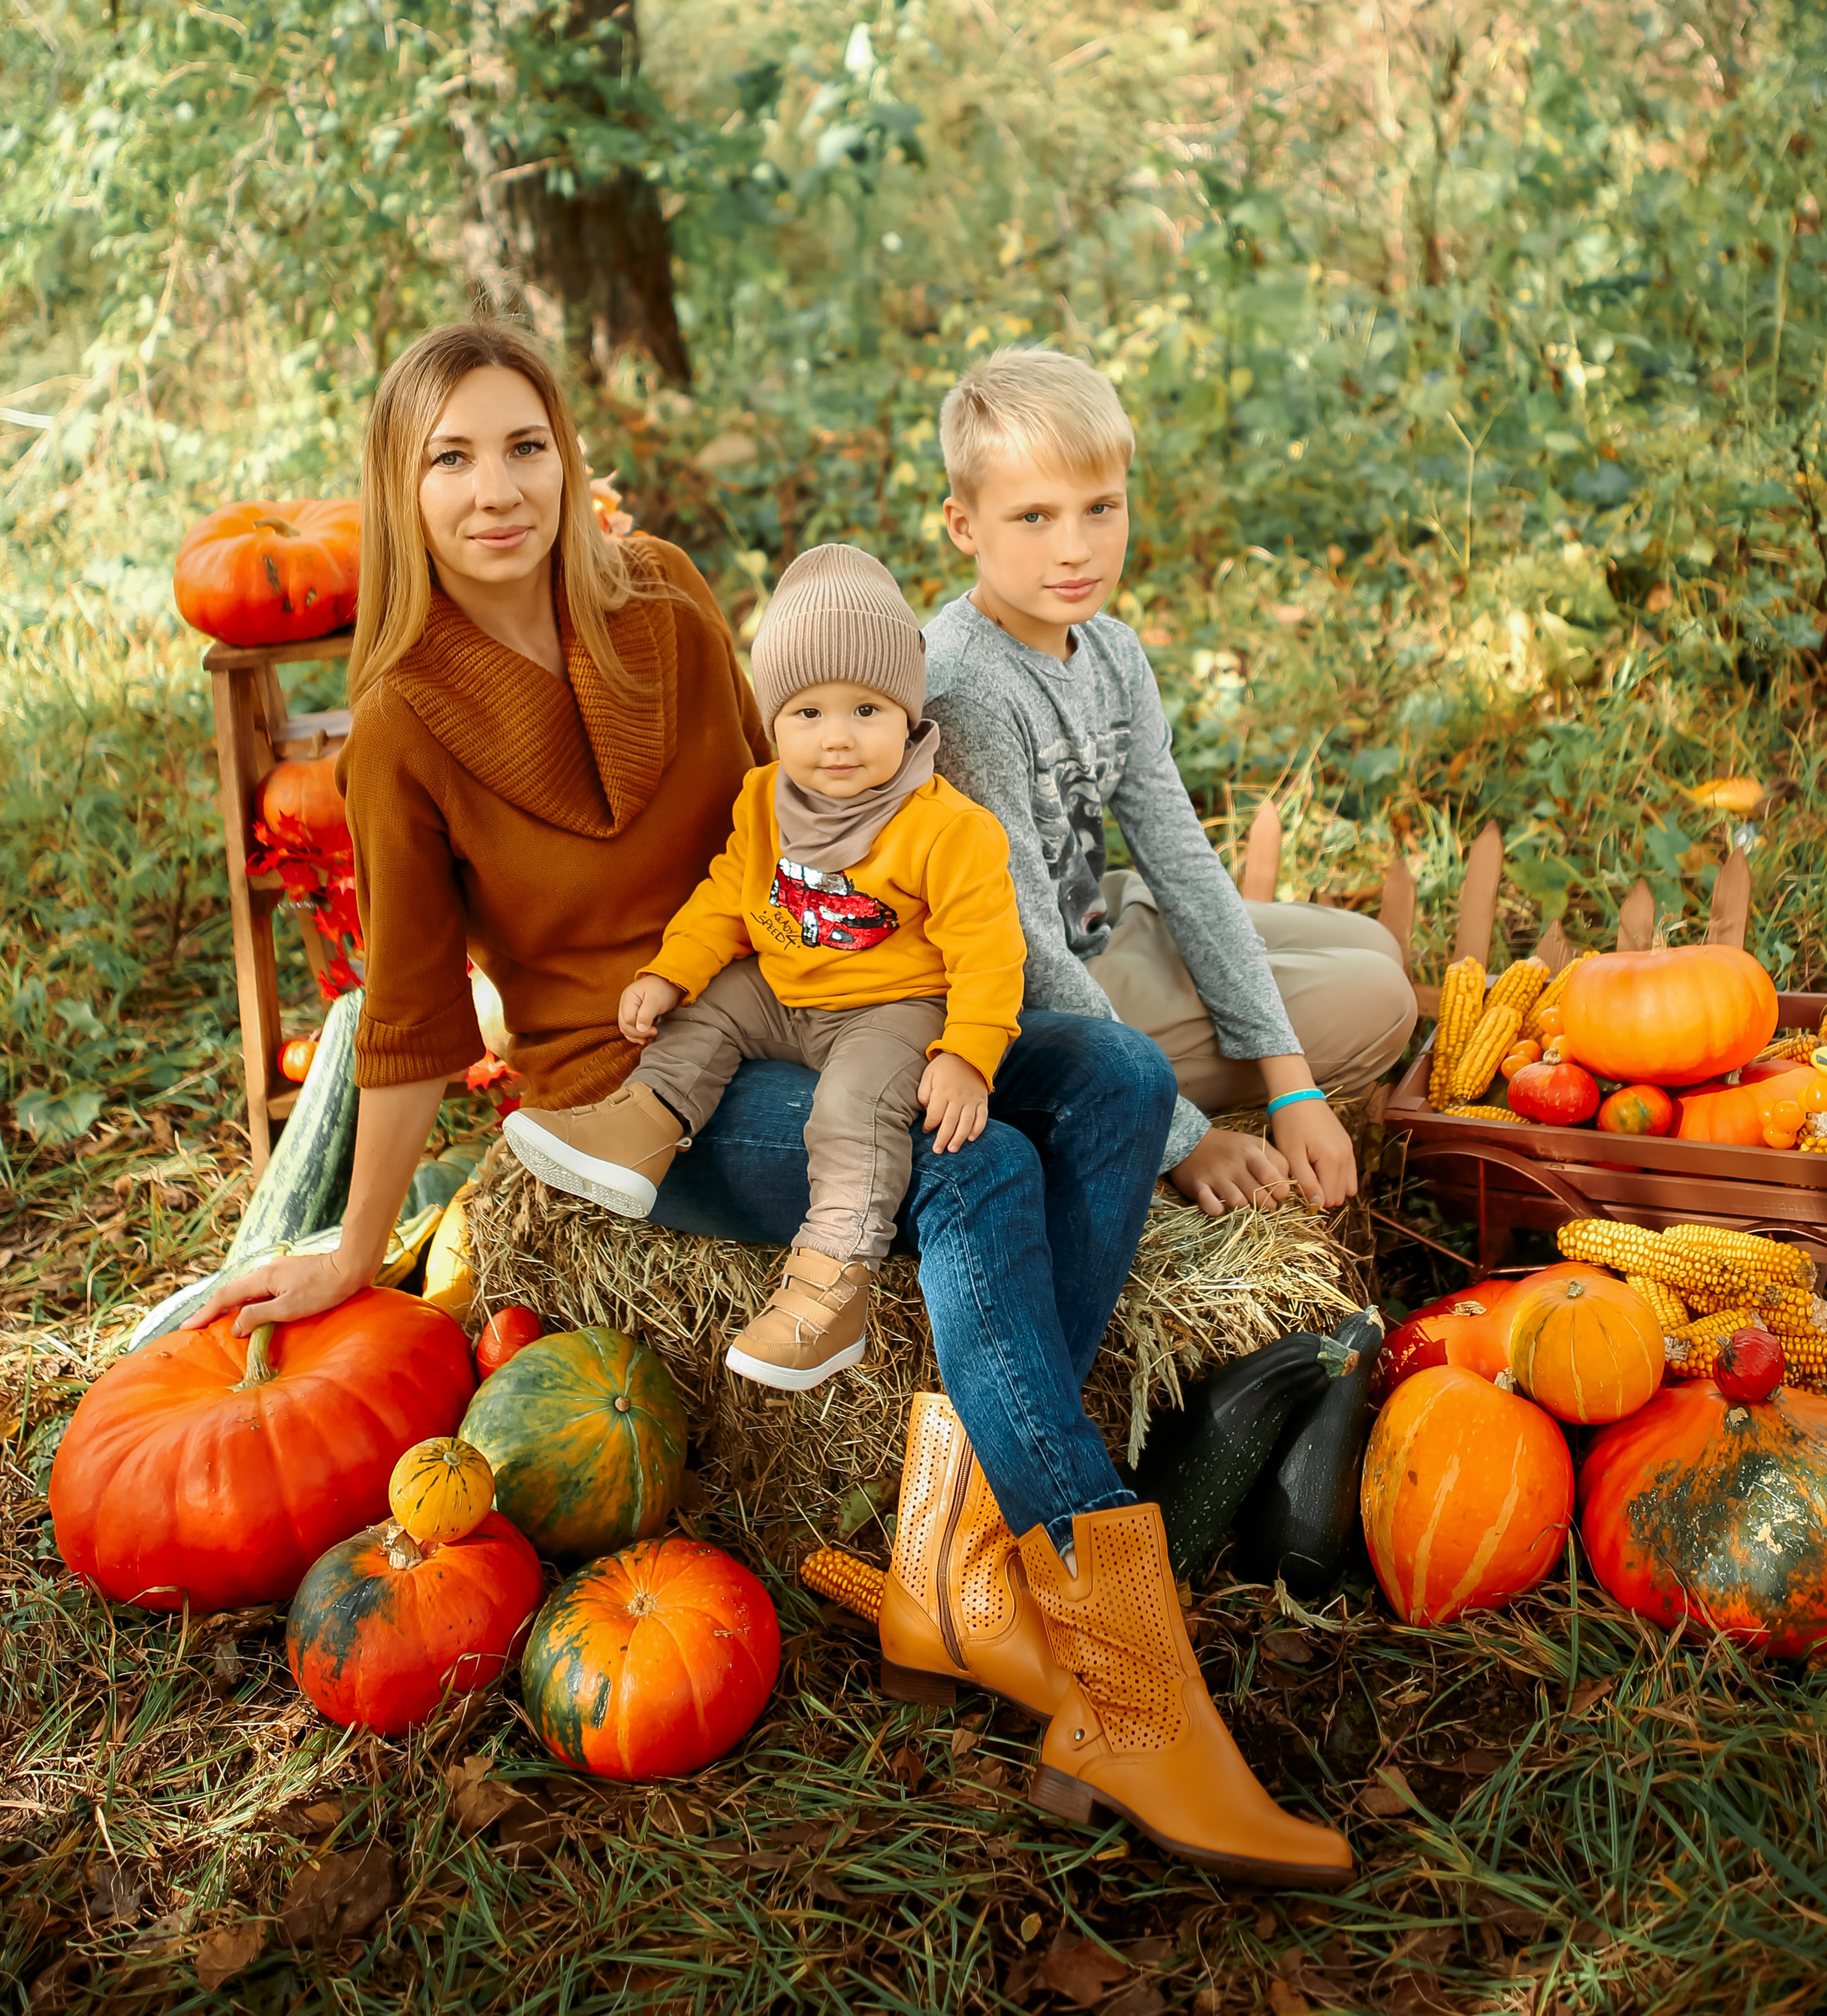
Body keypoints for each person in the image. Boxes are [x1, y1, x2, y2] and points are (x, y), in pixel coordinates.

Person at [189, 316, 1351, 1888]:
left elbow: (808, 803)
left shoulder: (662, 598)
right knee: (967, 1174)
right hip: (642, 1086)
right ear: (401, 487)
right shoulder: (401, 714)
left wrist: (928, 967)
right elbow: (399, 1018)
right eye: (449, 457)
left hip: (819, 987)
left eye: (523, 445)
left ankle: (952, 1546)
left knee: (1113, 1080)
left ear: (567, 458)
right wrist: (354, 1241)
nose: (494, 490)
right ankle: (1132, 1690)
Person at [511, 541, 1026, 1394]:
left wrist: (968, 1054)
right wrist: (670, 973)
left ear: (909, 715)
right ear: (774, 722)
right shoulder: (762, 800)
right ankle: (640, 1129)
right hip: (786, 987)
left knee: (850, 1111)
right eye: (807, 713)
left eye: (867, 711)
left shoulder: (947, 828)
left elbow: (988, 951)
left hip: (892, 1007)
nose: (836, 739)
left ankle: (831, 1288)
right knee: (705, 1012)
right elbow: (724, 899)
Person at [924, 346, 1418, 1209]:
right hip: (1008, 1002)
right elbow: (1018, 945)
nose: (1075, 548)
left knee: (1374, 949)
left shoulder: (1108, 651)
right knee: (1381, 1001)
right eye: (1033, 517)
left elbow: (1181, 860)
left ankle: (1249, 1036)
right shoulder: (966, 685)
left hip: (1096, 916)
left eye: (1100, 508)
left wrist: (1291, 1083)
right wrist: (1176, 1136)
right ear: (964, 526)